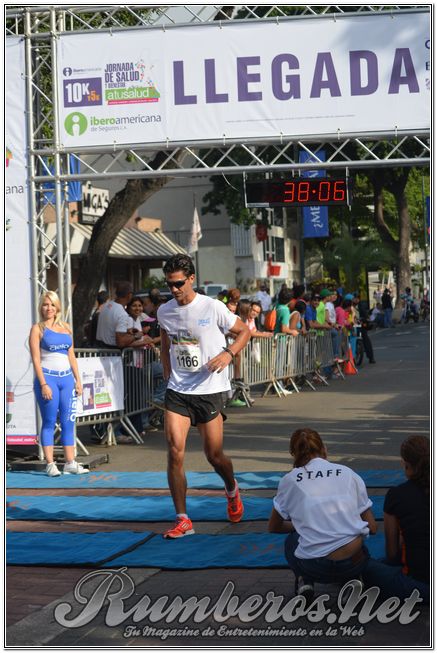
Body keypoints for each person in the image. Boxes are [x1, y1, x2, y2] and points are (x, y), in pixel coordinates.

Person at [157, 254, 251, 538]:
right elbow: (165, 336)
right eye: (170, 284)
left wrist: (228, 353)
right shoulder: (165, 311)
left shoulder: (213, 307)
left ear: (191, 279)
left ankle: (231, 489)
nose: (174, 289)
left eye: (179, 283)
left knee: (214, 456)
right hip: (178, 390)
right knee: (175, 450)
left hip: (209, 390)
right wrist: (166, 365)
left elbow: (244, 332)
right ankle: (183, 519)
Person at [269, 427, 377, 600]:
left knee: (293, 539)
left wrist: (303, 525)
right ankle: (353, 579)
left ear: (294, 454)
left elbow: (274, 526)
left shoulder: (289, 480)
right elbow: (372, 527)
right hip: (352, 560)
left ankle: (305, 581)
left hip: (314, 565)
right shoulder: (348, 473)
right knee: (354, 536)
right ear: (324, 448)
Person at [363, 436, 429, 604]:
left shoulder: (397, 495)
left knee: (364, 566)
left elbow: (392, 553)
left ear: (406, 464)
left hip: (418, 584)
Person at [29, 291, 89, 477]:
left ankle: (70, 462)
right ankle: (50, 464)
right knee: (48, 421)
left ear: (57, 308)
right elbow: (36, 360)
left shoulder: (66, 327)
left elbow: (71, 356)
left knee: (68, 422)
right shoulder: (37, 329)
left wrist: (78, 381)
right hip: (48, 379)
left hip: (67, 380)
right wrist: (43, 384)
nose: (49, 308)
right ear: (41, 307)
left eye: (52, 305)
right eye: (45, 304)